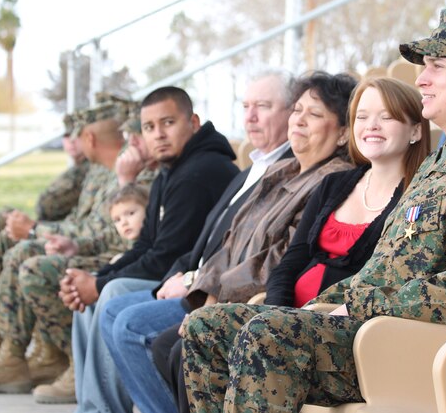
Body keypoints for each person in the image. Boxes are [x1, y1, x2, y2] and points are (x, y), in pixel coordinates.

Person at [180, 8, 446, 413]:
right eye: (424, 67)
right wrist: (328, 302)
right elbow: (383, 270)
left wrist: (361, 305)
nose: (421, 78)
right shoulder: (438, 164)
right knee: (206, 328)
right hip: (370, 330)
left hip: (412, 344)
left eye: (438, 67)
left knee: (269, 333)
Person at [100, 71, 355, 413]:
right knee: (127, 317)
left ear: (342, 133)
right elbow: (230, 240)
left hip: (253, 298)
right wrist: (205, 289)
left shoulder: (330, 180)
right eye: (297, 110)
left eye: (314, 114)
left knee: (150, 335)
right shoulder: (281, 171)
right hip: (219, 293)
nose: (299, 121)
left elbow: (279, 258)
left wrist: (215, 295)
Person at [24, 86, 238, 407]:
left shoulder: (199, 171)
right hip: (171, 273)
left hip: (190, 281)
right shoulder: (172, 170)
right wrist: (94, 278)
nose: (158, 135)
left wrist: (98, 284)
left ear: (192, 122)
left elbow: (163, 256)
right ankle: (93, 406)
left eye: (168, 123)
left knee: (111, 294)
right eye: (149, 127)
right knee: (93, 300)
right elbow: (143, 246)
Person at [0, 101, 129, 391]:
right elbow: (67, 215)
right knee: (15, 240)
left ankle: (70, 358)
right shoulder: (100, 170)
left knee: (30, 257)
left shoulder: (125, 171)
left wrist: (34, 230)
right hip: (92, 247)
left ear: (88, 138)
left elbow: (100, 235)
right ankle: (8, 342)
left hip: (115, 259)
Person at [265, 76, 431, 308]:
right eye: (361, 117)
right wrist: (274, 312)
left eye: (386, 117)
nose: (371, 125)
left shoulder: (421, 198)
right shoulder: (332, 185)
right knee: (201, 323)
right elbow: (290, 263)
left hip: (345, 325)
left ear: (415, 131)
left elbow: (392, 283)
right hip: (287, 317)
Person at [0, 114, 90, 333]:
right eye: (66, 136)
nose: (70, 142)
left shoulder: (91, 170)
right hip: (60, 227)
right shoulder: (79, 169)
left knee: (10, 231)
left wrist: (33, 228)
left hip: (63, 232)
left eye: (76, 136)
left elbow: (52, 207)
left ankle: (0, 333)